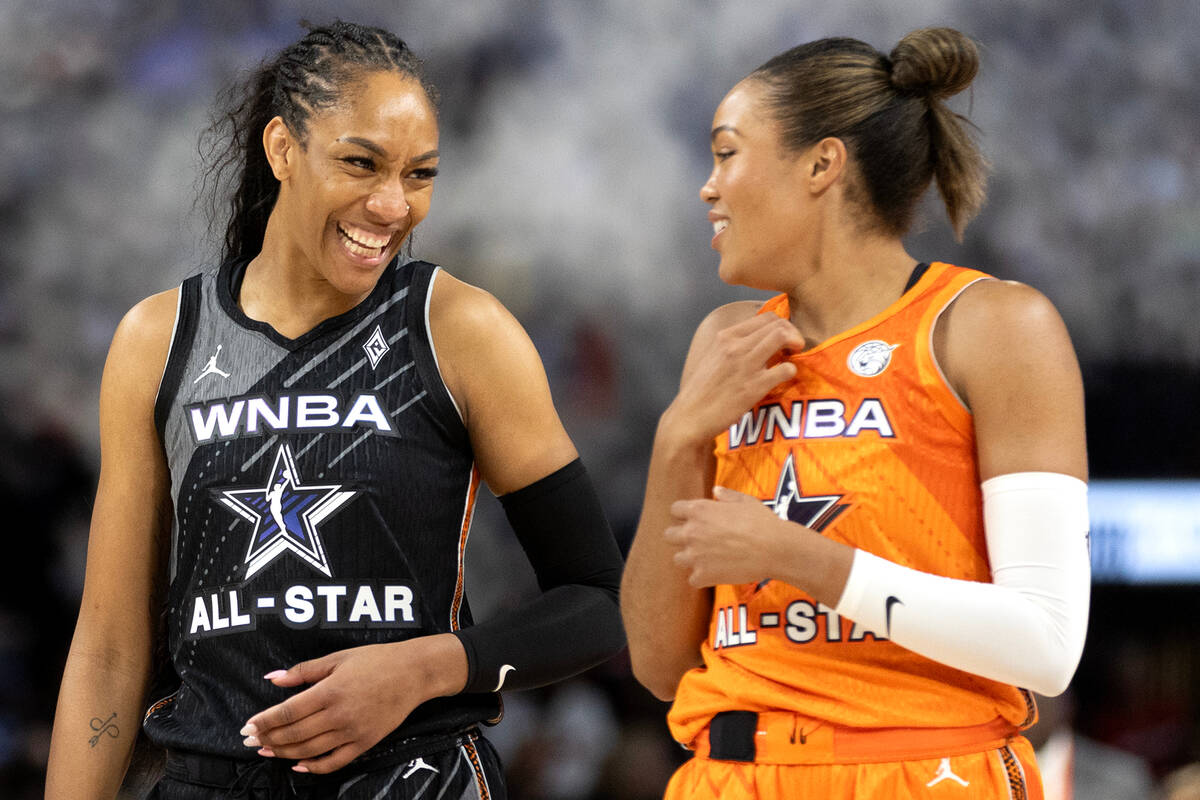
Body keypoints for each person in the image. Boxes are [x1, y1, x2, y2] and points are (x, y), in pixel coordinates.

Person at [46, 20, 625, 799]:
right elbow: (111, 652)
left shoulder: (462, 329)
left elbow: (598, 600)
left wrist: (425, 667)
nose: (392, 205)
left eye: (420, 175)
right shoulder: (158, 339)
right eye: (361, 164)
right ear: (282, 148)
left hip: (414, 779)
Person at [621, 27, 1090, 799]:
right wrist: (678, 437)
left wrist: (798, 556)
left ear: (821, 164)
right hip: (730, 774)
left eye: (727, 153)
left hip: (926, 770)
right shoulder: (726, 341)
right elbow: (659, 666)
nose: (708, 186)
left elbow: (1045, 645)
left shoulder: (993, 325)